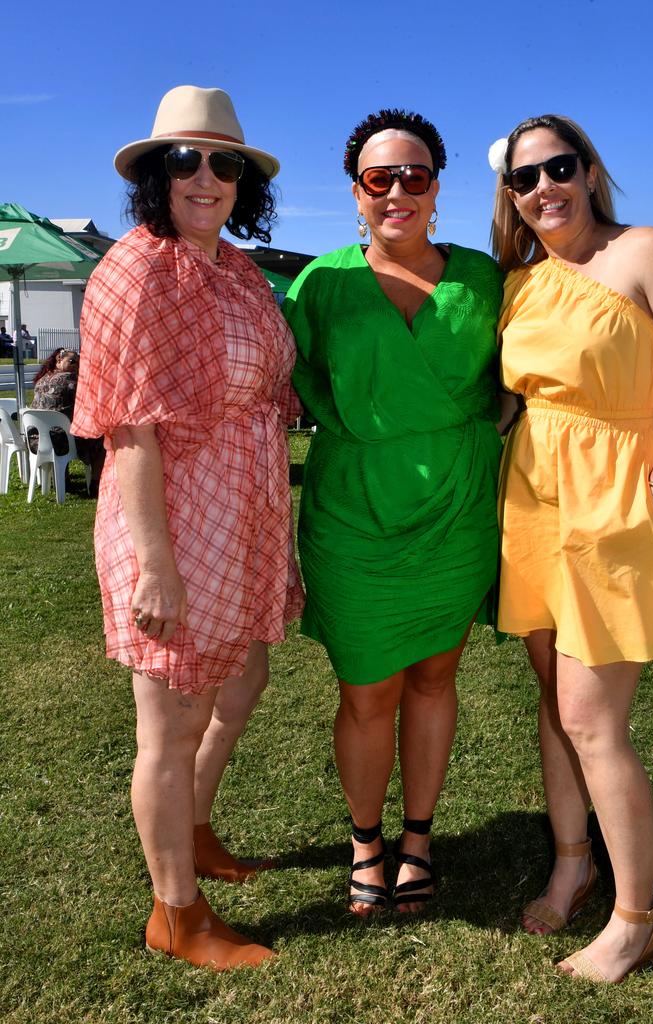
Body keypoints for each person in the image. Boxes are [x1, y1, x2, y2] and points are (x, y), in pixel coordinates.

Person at [488, 115, 653, 982]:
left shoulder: (645, 251)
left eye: (558, 167)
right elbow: (515, 399)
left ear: (589, 171)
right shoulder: (519, 281)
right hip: (535, 497)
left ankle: (637, 918)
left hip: (617, 495)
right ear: (511, 195)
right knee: (554, 702)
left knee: (594, 719)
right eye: (525, 178)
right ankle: (571, 864)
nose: (544, 187)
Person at [71, 85, 303, 969]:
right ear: (154, 176)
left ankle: (195, 830)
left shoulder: (236, 270)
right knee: (170, 718)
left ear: (243, 180)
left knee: (242, 679)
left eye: (225, 163)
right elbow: (129, 425)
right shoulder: (135, 270)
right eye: (186, 160)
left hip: (241, 504)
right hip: (170, 511)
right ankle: (176, 913)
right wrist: (155, 564)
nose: (206, 177)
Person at [283, 110, 502, 915]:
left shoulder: (485, 277)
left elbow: (530, 366)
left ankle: (418, 838)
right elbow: (279, 376)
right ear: (357, 193)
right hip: (353, 513)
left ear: (437, 188)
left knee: (437, 677)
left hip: (457, 509)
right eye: (382, 178)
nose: (399, 190)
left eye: (416, 175)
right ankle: (364, 841)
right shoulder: (322, 283)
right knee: (367, 689)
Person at [27, 348, 106, 495]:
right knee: (101, 439)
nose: (77, 364)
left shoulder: (42, 379)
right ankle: (96, 483)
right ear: (58, 361)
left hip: (36, 441)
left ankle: (62, 480)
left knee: (61, 428)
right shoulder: (71, 380)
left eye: (79, 361)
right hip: (61, 441)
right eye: (72, 361)